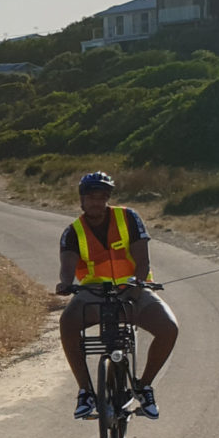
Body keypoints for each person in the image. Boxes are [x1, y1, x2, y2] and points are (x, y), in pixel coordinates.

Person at [53, 171, 179, 421]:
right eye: (91, 197)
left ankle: (144, 386)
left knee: (169, 328)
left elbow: (143, 260)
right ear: (81, 199)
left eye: (102, 197)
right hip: (93, 293)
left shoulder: (128, 218)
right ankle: (86, 391)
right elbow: (67, 267)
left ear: (108, 198)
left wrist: (137, 285)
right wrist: (65, 284)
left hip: (132, 289)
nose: (96, 202)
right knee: (67, 323)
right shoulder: (72, 232)